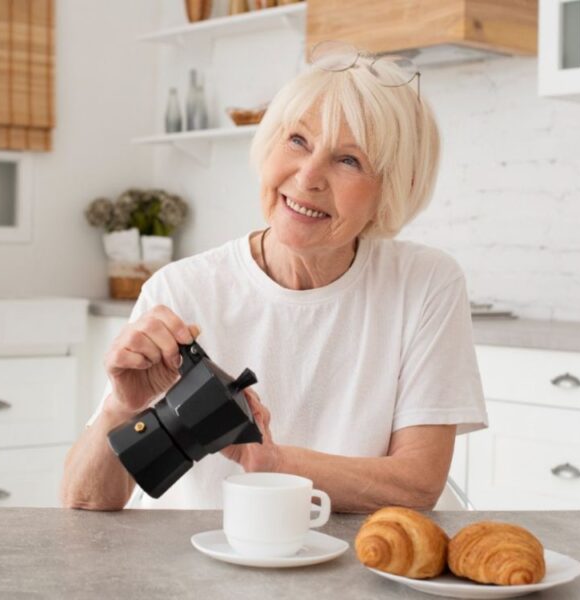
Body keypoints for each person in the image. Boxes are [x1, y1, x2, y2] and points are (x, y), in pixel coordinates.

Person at [61, 41, 487, 513]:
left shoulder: (425, 284)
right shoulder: (179, 290)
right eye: (298, 141)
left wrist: (273, 461)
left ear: (394, 188)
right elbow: (83, 506)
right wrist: (121, 408)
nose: (307, 178)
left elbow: (417, 485)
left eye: (349, 160)